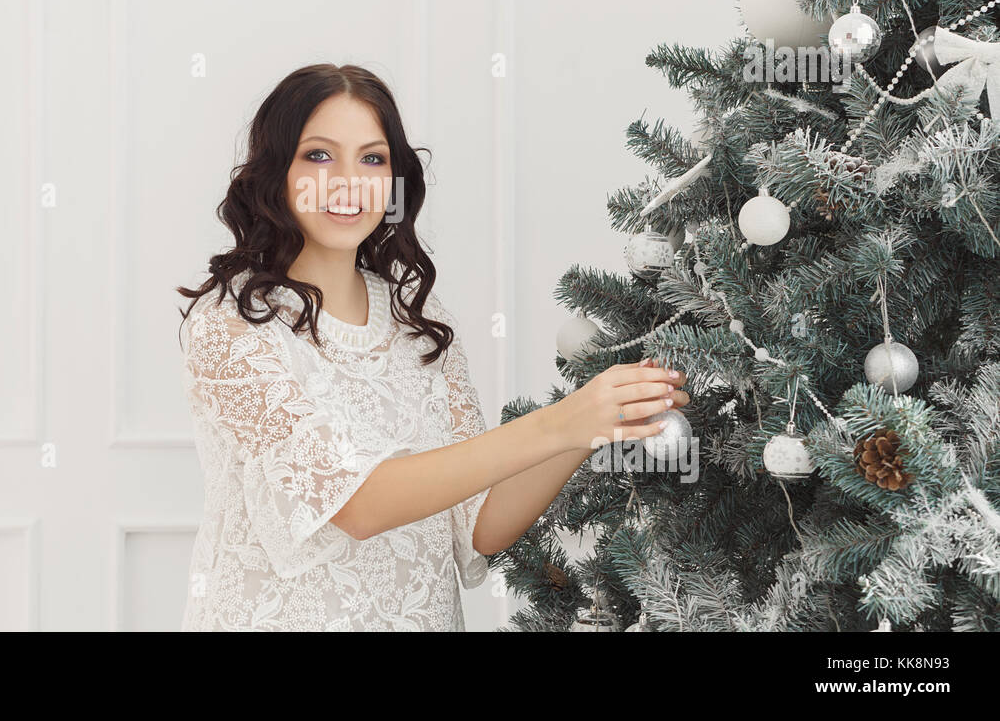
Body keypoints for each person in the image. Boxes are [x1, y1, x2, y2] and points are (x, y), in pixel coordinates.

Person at [175, 63, 688, 630]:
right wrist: (561, 422)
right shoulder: (230, 324)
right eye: (319, 155)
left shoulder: (418, 319)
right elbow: (358, 505)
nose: (349, 181)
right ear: (277, 172)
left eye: (372, 158)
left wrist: (595, 422)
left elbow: (479, 524)